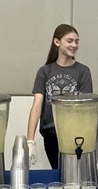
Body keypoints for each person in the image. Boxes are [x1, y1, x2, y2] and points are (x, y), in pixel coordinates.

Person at [27, 24, 93, 169]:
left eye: (77, 41)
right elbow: (37, 105)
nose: (74, 45)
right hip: (51, 133)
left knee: (73, 174)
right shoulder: (45, 71)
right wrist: (30, 141)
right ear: (57, 42)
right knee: (58, 172)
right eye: (69, 41)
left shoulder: (83, 71)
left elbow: (86, 107)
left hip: (74, 135)